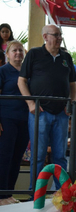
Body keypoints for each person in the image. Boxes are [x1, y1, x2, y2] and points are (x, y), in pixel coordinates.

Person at [18, 24, 76, 190]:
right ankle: (35, 195)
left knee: (60, 156)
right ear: (45, 37)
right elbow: (21, 80)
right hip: (40, 112)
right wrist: (30, 103)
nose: (59, 38)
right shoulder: (34, 54)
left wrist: (70, 103)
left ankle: (62, 195)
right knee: (38, 156)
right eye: (56, 35)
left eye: (60, 35)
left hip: (61, 113)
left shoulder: (66, 57)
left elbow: (73, 84)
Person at [0, 41, 29, 205]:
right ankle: (1, 195)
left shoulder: (28, 72)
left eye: (20, 50)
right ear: (8, 54)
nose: (18, 53)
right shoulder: (3, 71)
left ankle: (9, 193)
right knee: (4, 157)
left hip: (24, 120)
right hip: (6, 119)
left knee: (17, 157)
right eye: (14, 50)